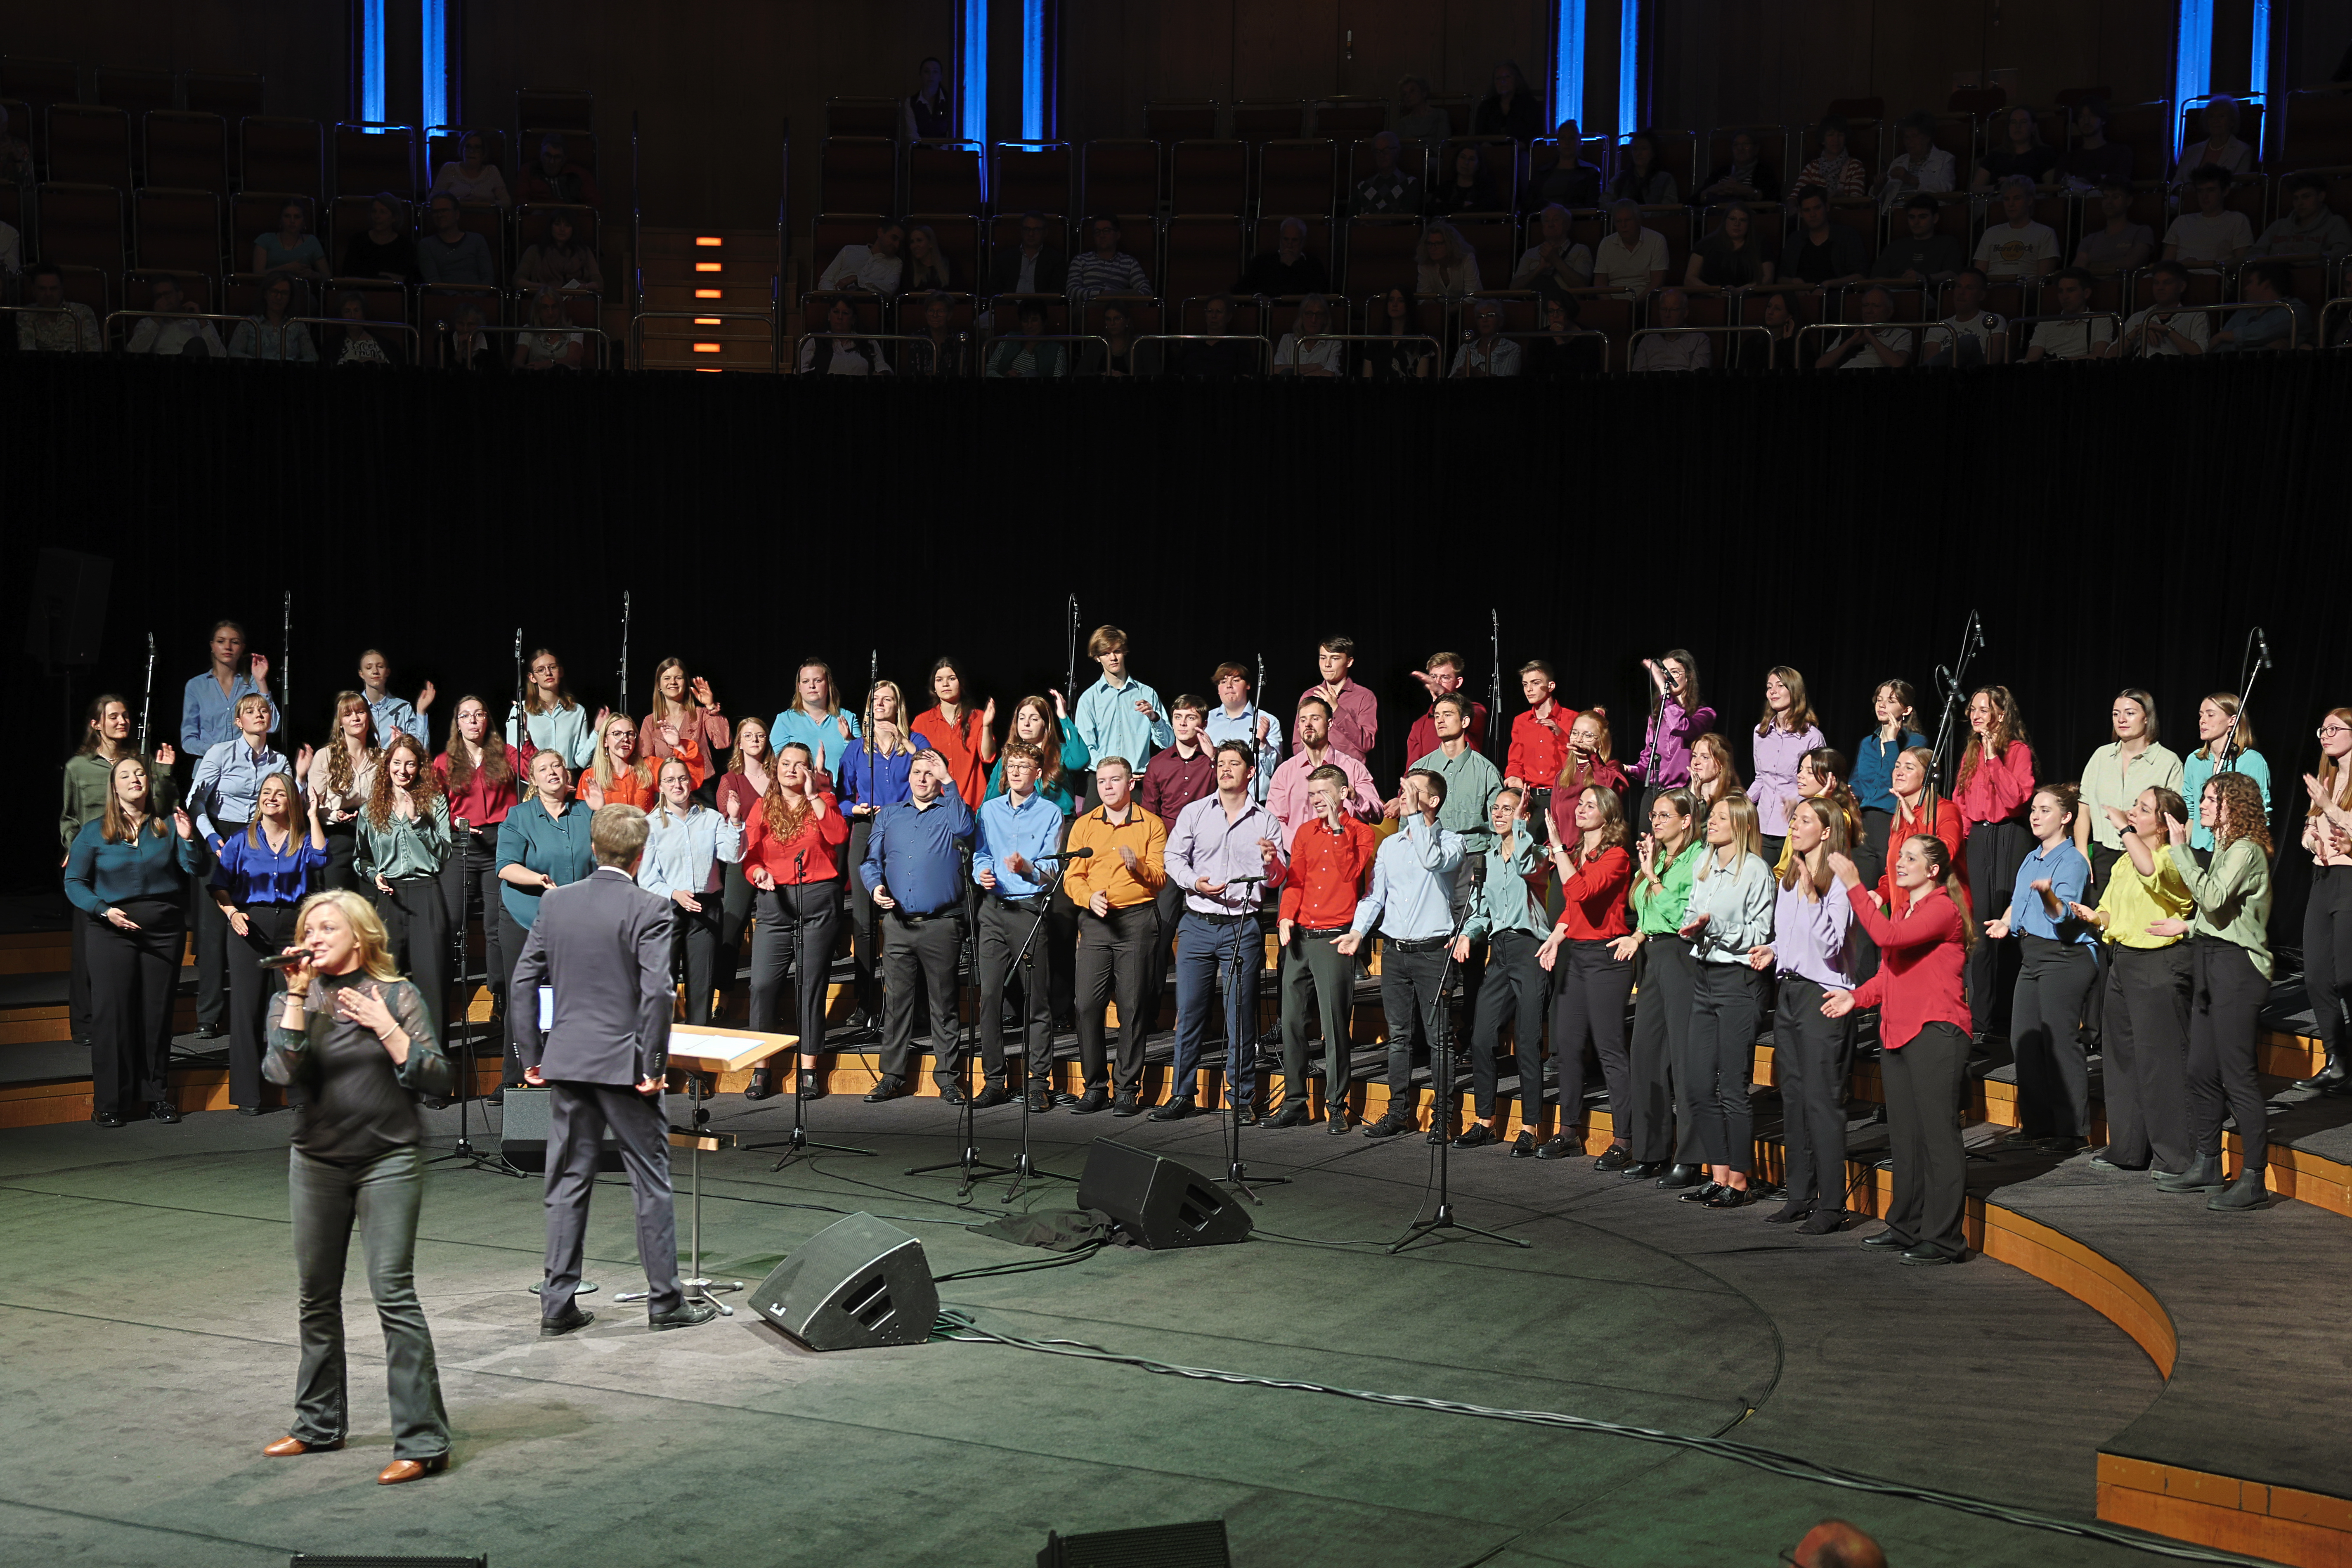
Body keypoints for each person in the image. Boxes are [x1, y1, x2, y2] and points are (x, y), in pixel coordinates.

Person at [261, 888, 456, 1481]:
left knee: (393, 1293)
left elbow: (438, 1076)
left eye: (327, 926)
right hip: (316, 1161)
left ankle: (423, 1440)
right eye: (309, 927)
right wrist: (297, 994)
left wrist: (386, 1026)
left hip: (388, 1159)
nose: (314, 936)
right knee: (315, 1295)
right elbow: (280, 1070)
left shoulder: (397, 994)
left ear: (361, 935)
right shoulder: (290, 998)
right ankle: (318, 1423)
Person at [512, 804, 716, 1338]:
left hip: (570, 1063)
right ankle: (664, 1300)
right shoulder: (649, 907)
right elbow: (657, 991)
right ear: (640, 853)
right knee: (650, 1181)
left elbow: (522, 982)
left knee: (566, 1181)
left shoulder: (555, 904)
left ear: (593, 848)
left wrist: (532, 1056)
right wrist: (651, 1064)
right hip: (626, 1068)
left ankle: (557, 1303)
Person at [1824, 833, 1973, 1264]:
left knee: (1937, 1137)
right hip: (1899, 1031)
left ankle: (1945, 1239)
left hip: (1936, 1031)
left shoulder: (1942, 908)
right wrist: (1857, 997)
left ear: (1932, 870)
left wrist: (1854, 884)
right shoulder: (1908, 908)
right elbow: (1892, 974)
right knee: (1905, 1138)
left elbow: (1886, 937)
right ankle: (1906, 1225)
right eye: (1899, 856)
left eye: (1911, 858)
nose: (1900, 862)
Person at [1153, 742, 1288, 1122]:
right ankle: (1182, 1094)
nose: (1225, 769)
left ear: (1250, 772)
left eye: (1234, 764)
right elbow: (1172, 858)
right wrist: (1194, 882)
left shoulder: (1265, 820)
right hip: (1197, 923)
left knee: (1239, 1015)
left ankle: (1241, 1098)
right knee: (1190, 1012)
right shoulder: (1195, 812)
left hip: (1242, 926)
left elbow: (1278, 877)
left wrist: (1272, 861)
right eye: (1221, 763)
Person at [2158, 773, 2275, 1210]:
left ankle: (2253, 1178)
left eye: (2210, 800)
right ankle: (2207, 1163)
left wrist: (2180, 850)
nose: (2202, 805)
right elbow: (2218, 915)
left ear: (2234, 806)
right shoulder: (2227, 849)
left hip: (2237, 969)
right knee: (2200, 1069)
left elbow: (2210, 898)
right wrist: (2186, 926)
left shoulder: (2244, 850)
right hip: (2211, 958)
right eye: (2204, 798)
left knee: (2236, 1074)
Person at [65, 757, 201, 1126]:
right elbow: (74, 882)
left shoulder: (168, 826)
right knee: (113, 1015)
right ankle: (110, 1101)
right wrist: (103, 910)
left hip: (163, 931)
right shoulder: (94, 832)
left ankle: (157, 1095)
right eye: (124, 774)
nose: (134, 779)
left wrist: (189, 840)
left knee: (156, 1014)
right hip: (111, 929)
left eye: (140, 773)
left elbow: (196, 869)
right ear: (114, 787)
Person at [1337, 769, 1461, 1138]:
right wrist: (1358, 931)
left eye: (1414, 790)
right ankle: (1397, 1112)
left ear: (1433, 801)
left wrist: (1411, 816)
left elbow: (1431, 860)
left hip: (1432, 953)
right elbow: (1375, 896)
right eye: (1403, 787)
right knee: (1398, 1037)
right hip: (1395, 951)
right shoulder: (1390, 846)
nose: (1404, 794)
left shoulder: (1451, 842)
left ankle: (1443, 1115)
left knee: (1439, 1038)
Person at [2078, 785, 2194, 1174]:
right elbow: (2109, 912)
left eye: (2143, 810)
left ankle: (2175, 1156)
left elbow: (2152, 871)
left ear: (2162, 826)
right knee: (2121, 1059)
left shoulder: (2171, 858)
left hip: (2158, 965)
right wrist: (2093, 917)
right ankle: (2127, 1148)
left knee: (2160, 1063)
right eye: (2134, 807)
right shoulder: (2126, 862)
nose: (2132, 813)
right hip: (2123, 962)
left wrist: (2122, 829)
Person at [1755, 796, 1857, 1231]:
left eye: (1803, 820)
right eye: (1793, 819)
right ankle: (1799, 1194)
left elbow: (1830, 945)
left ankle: (1832, 1205)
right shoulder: (1789, 880)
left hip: (1824, 998)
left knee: (1821, 1101)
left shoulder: (1837, 883)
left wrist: (1813, 896)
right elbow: (1793, 938)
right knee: (1793, 1099)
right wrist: (1772, 949)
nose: (1793, 826)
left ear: (1827, 830)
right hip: (1790, 993)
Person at [59, 696, 177, 1049]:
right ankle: (85, 1023)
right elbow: (69, 815)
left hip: (132, 853)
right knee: (89, 944)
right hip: (94, 852)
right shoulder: (78, 767)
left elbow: (162, 806)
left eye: (126, 715)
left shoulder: (137, 762)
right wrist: (73, 846)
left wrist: (164, 772)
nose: (122, 721)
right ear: (96, 723)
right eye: (114, 716)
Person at [860, 748, 976, 1103]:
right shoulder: (890, 815)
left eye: (930, 773)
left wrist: (949, 781)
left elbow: (965, 828)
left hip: (941, 924)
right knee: (896, 1004)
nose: (922, 778)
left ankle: (948, 1079)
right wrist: (875, 886)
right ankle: (891, 1075)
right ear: (907, 777)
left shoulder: (950, 811)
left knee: (944, 1004)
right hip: (897, 924)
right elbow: (870, 861)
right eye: (917, 772)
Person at [1986, 785, 2097, 1151]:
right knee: (2023, 1038)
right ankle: (2037, 1124)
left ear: (2066, 818)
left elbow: (2063, 914)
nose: (2035, 815)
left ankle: (2072, 1131)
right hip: (2032, 955)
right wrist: (2007, 921)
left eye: (2045, 810)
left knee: (2059, 1042)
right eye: (2033, 809)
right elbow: (2020, 901)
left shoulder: (2072, 861)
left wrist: (2049, 896)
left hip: (2064, 956)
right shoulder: (2031, 857)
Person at [209, 772, 328, 1113]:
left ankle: (301, 1093)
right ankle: (248, 1096)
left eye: (279, 793)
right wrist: (232, 913)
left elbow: (321, 857)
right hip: (249, 924)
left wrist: (313, 815)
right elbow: (219, 884)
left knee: (295, 1008)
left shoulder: (301, 838)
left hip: (292, 927)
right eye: (266, 792)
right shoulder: (241, 840)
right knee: (246, 1010)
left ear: (292, 801)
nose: (271, 798)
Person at [738, 741, 849, 1102]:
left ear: (809, 771)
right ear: (776, 768)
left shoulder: (824, 801)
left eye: (799, 765)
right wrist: (756, 872)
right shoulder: (762, 806)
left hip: (817, 900)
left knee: (810, 986)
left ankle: (808, 1069)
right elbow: (749, 856)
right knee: (762, 987)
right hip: (774, 903)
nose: (791, 770)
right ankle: (761, 1069)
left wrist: (815, 793)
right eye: (785, 763)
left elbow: (838, 836)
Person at [1677, 796, 1774, 1206]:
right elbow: (1693, 912)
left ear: (1738, 824)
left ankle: (1738, 1179)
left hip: (1739, 981)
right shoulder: (1705, 865)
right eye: (1711, 816)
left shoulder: (1755, 871)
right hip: (1704, 978)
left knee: (1732, 1086)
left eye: (1719, 818)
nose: (1710, 823)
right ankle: (1717, 1175)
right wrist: (1695, 927)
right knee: (1698, 1083)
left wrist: (1714, 926)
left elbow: (1761, 931)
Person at [1532, 785, 1636, 1164]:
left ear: (1607, 816)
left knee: (1609, 1048)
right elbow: (1571, 910)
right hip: (1577, 956)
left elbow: (1581, 891)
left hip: (1607, 958)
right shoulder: (1581, 853)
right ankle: (1569, 1131)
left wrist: (1558, 847)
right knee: (1567, 1046)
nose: (1581, 808)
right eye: (1580, 803)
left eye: (1591, 805)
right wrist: (1558, 935)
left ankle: (1624, 1139)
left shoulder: (1618, 855)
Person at [192, 693, 306, 1035]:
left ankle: (269, 1011)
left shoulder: (280, 760)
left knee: (258, 921)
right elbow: (196, 802)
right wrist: (213, 840)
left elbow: (292, 802)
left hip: (261, 839)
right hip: (221, 834)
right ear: (238, 721)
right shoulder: (219, 753)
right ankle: (208, 1015)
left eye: (264, 710)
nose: (259, 714)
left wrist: (299, 776)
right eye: (250, 711)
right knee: (215, 929)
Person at [1448, 785, 1554, 1153]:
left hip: (1530, 949)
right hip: (1500, 950)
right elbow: (1479, 912)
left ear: (1523, 814)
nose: (1498, 814)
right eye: (1495, 808)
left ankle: (1529, 1126)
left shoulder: (1538, 853)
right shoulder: (1487, 858)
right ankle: (1484, 1120)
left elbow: (1529, 868)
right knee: (1480, 1037)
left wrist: (1524, 826)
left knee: (1527, 1040)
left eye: (1507, 809)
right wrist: (1467, 935)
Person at [1274, 766, 1377, 1130]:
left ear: (1344, 792)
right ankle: (1295, 1102)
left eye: (1324, 793)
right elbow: (1295, 881)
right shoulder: (1304, 832)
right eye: (1312, 793)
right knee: (1290, 1022)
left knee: (1334, 1025)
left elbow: (1351, 873)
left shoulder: (1360, 833)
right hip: (1300, 937)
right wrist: (1286, 917)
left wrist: (1336, 829)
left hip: (1335, 938)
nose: (1316, 799)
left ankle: (1336, 1104)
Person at [1065, 756, 1169, 1115]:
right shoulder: (1084, 825)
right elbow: (1072, 877)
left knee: (1132, 1006)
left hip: (1137, 922)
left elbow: (1159, 878)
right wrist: (1086, 897)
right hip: (1095, 922)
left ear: (1130, 784)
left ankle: (1126, 1088)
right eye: (1102, 781)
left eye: (1115, 780)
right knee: (1087, 1005)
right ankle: (1094, 1086)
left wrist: (1136, 866)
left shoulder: (1151, 825)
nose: (1107, 786)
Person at [969, 741, 1064, 1111]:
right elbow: (979, 854)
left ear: (1038, 774)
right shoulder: (989, 810)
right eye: (1012, 766)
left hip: (1029, 910)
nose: (1016, 771)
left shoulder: (1050, 813)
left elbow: (1053, 871)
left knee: (1034, 999)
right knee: (990, 996)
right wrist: (983, 874)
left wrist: (1027, 868)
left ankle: (1038, 1082)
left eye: (1024, 766)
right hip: (993, 909)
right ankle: (994, 1080)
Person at [495, 749, 600, 1088]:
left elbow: (614, 854)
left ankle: (570, 1070)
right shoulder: (519, 815)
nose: (553, 771)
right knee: (523, 996)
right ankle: (515, 1077)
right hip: (527, 917)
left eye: (557, 766)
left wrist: (602, 811)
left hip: (575, 920)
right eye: (544, 768)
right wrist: (538, 880)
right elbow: (506, 867)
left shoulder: (586, 812)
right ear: (533, 779)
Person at [1622, 790, 1704, 1183]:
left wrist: (1653, 876)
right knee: (1644, 1054)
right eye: (1653, 814)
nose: (1655, 821)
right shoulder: (1658, 857)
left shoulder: (1697, 859)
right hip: (1652, 958)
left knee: (1684, 1060)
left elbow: (1678, 913)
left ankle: (1689, 1157)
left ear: (1686, 820)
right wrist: (1637, 936)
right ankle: (1649, 1149)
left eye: (1665, 815)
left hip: (1680, 955)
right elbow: (1641, 907)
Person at [434, 695, 519, 1060]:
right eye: (465, 715)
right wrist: (452, 823)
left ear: (487, 720)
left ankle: (498, 993)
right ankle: (444, 994)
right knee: (451, 920)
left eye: (479, 714)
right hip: (461, 843)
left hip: (500, 841)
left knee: (497, 923)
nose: (473, 721)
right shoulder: (444, 761)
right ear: (457, 722)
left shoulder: (507, 753)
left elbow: (532, 770)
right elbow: (434, 805)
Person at [354, 733, 453, 1042]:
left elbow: (445, 853)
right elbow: (361, 858)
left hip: (427, 894)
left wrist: (418, 822)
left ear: (419, 768)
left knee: (432, 985)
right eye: (397, 763)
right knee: (383, 985)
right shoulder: (371, 809)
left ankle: (433, 1078)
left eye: (410, 764)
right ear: (387, 767)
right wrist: (373, 875)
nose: (403, 770)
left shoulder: (434, 802)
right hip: (389, 899)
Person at [1956, 687, 2035, 1049]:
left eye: (1983, 709)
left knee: (2004, 924)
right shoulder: (1971, 751)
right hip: (1979, 839)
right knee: (1979, 928)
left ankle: (2005, 1018)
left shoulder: (2016, 751)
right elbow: (1960, 798)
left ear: (2001, 715)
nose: (1975, 715)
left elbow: (2017, 798)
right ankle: (1980, 1018)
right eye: (1972, 709)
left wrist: (1993, 759)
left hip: (2009, 835)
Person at [636, 757, 741, 1027]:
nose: (677, 785)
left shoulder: (712, 818)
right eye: (670, 780)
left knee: (701, 986)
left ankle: (698, 1064)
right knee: (663, 986)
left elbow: (732, 855)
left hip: (705, 908)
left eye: (682, 778)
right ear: (661, 787)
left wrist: (736, 821)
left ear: (691, 781)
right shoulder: (651, 824)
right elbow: (646, 878)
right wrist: (674, 894)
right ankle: (660, 1056)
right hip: (666, 909)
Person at [839, 702, 914, 1033]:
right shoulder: (856, 748)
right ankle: (866, 1001)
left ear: (898, 706)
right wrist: (855, 807)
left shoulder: (915, 741)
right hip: (867, 827)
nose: (880, 706)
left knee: (904, 914)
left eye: (887, 699)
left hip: (904, 826)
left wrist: (906, 742)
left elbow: (933, 770)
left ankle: (909, 1003)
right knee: (864, 921)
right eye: (874, 700)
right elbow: (840, 795)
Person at [2076, 689, 2184, 910]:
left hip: (2146, 854)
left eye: (2130, 713)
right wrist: (2081, 853)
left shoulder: (2167, 762)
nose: (2121, 720)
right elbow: (2084, 808)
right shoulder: (2101, 756)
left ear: (2147, 718)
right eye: (2116, 714)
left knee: (2134, 919)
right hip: (2103, 855)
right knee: (2097, 920)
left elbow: (2173, 817)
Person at [2297, 710, 2352, 1093]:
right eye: (2323, 729)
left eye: (2334, 729)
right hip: (2323, 878)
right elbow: (2307, 825)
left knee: (2347, 977)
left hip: (2350, 879)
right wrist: (2311, 840)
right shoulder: (2326, 778)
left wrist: (2330, 808)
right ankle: (2337, 1061)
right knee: (2316, 974)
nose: (2325, 735)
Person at [1268, 695, 1381, 844]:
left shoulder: (1353, 768)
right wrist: (1300, 848)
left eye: (1315, 719)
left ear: (1329, 724)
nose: (1308, 724)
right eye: (1303, 720)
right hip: (1299, 859)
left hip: (1343, 855)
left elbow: (1378, 814)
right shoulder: (1285, 772)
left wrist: (1355, 797)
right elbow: (1274, 820)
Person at [1071, 626, 1171, 788]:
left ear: (1124, 652)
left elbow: (1168, 744)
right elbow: (1087, 747)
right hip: (1103, 779)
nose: (1113, 658)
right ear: (1097, 658)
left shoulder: (1147, 693)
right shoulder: (1089, 699)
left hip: (1137, 780)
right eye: (1106, 653)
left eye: (1117, 651)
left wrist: (1155, 719)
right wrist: (1114, 773)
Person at [1875, 745, 1966, 918]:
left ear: (1927, 777)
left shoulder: (1945, 810)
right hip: (1902, 915)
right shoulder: (1897, 819)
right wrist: (1881, 893)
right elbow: (1895, 870)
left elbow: (1945, 854)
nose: (1899, 772)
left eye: (1909, 768)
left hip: (1935, 915)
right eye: (1897, 766)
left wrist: (1913, 822)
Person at [1852, 680, 1926, 887]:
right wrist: (1849, 794)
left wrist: (1892, 742)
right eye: (1879, 700)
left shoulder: (1916, 743)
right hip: (1865, 823)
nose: (1882, 705)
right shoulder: (1868, 743)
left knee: (1895, 892)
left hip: (1894, 821)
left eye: (1891, 701)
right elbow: (1857, 782)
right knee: (1862, 894)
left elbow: (1899, 781)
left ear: (1906, 709)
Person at [1746, 667, 1824, 862]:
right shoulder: (1760, 733)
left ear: (1794, 691)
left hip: (1792, 827)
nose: (1773, 691)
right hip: (1761, 825)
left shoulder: (1811, 737)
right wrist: (1743, 801)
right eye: (1769, 687)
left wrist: (1797, 802)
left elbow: (1820, 786)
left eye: (1780, 686)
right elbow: (1761, 779)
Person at [2180, 694, 2269, 855]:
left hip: (2233, 851)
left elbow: (2260, 812)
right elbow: (2191, 811)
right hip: (2199, 849)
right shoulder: (2194, 760)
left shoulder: (2250, 761)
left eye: (2211, 715)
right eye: (2201, 715)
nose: (2203, 720)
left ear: (2232, 721)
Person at [1626, 650, 1714, 806]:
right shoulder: (1656, 717)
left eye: (1675, 672)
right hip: (1653, 793)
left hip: (1682, 795)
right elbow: (1647, 764)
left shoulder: (1704, 714)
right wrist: (1629, 769)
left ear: (1690, 676)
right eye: (1665, 673)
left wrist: (1663, 689)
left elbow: (1682, 727)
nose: (1668, 677)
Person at [912, 656, 997, 811]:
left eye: (951, 678)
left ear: (961, 683)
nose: (945, 684)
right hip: (935, 805)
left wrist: (986, 726)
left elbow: (987, 757)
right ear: (934, 686)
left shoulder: (978, 717)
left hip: (972, 802)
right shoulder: (921, 722)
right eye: (939, 680)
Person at [639, 657, 729, 790]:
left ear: (686, 683)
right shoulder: (650, 722)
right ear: (659, 685)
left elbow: (723, 743)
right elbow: (646, 762)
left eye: (678, 678)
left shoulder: (702, 714)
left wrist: (710, 706)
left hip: (701, 790)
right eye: (667, 678)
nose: (673, 682)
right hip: (667, 792)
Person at [508, 647, 602, 769]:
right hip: (533, 782)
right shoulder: (521, 710)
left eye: (553, 667)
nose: (548, 673)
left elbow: (582, 761)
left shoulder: (577, 711)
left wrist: (597, 732)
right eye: (541, 670)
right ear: (532, 678)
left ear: (561, 671)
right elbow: (514, 758)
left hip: (567, 781)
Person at [1204, 664, 1283, 801]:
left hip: (1255, 803)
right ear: (1218, 689)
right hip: (1214, 804)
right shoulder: (1206, 721)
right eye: (1223, 682)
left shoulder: (1267, 721)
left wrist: (1262, 743)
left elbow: (1274, 770)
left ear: (1248, 685)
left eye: (1235, 680)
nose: (1229, 686)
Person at [2106, 259, 2207, 357]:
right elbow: (2109, 356)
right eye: (2156, 283)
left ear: (2182, 287)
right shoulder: (2139, 317)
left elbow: (2200, 354)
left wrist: (2166, 330)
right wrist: (2137, 332)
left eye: (2167, 283)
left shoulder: (2196, 315)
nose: (2160, 288)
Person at [1503, 662, 1574, 797]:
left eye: (1535, 683)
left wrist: (1561, 735)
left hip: (1563, 796)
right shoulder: (1521, 721)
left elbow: (1580, 758)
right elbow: (1515, 760)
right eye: (1525, 684)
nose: (1529, 689)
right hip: (1531, 796)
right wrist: (1514, 776)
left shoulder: (1572, 718)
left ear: (1551, 686)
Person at [2163, 166, 2253, 269]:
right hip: (2178, 277)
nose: (2204, 196)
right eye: (2200, 191)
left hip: (2214, 277)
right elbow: (2166, 263)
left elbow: (2242, 260)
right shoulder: (2182, 221)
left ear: (2225, 191)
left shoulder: (2237, 220)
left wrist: (2207, 266)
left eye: (2211, 190)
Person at [2210, 259, 2308, 352]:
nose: (2246, 288)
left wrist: (2223, 337)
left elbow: (2264, 332)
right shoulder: (2244, 312)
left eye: (2251, 282)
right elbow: (2218, 348)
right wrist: (2262, 344)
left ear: (2266, 284)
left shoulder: (2293, 309)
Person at [1972, 177, 2060, 280]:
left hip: (2025, 292)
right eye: (2007, 199)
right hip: (1991, 290)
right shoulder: (1991, 233)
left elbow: (2043, 279)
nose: (2011, 204)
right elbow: (1978, 276)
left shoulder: (2045, 233)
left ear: (2030, 200)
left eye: (2017, 198)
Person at [2253, 171, 2352, 261]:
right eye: (2296, 199)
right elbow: (2254, 254)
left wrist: (2307, 261)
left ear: (2321, 197)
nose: (2299, 204)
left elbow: (2343, 255)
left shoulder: (2335, 223)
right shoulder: (2279, 226)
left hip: (2314, 276)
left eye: (2306, 197)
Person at [1779, 187, 1867, 286]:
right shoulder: (1795, 240)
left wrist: (1830, 285)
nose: (1813, 215)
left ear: (1827, 207)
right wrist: (1794, 283)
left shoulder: (1847, 236)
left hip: (1837, 296)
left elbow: (1861, 275)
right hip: (1799, 297)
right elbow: (1781, 278)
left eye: (1817, 208)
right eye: (1807, 210)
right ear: (1801, 213)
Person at [1919, 267, 2007, 366]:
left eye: (1969, 288)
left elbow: (1993, 360)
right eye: (1959, 286)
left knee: (1970, 341)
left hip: (1977, 375)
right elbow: (1931, 366)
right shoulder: (1939, 327)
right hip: (1945, 377)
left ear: (1982, 295)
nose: (1961, 292)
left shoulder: (1993, 320)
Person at [2022, 268, 2113, 361]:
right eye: (2061, 291)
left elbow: (2099, 357)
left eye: (2071, 290)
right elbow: (2031, 360)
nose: (2065, 297)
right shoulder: (2046, 323)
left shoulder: (2100, 320)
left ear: (2086, 293)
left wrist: (2061, 361)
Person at [125, 274, 227, 356]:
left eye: (168, 294)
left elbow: (220, 356)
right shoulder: (146, 323)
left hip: (192, 371)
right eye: (159, 296)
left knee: (197, 344)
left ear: (180, 295)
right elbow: (132, 354)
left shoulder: (201, 323)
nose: (163, 300)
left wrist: (202, 320)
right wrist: (157, 317)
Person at [1870, 194, 1963, 283]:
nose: (1916, 222)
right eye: (1912, 217)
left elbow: (1953, 274)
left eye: (1923, 217)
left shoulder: (1947, 243)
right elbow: (1876, 277)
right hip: (1893, 293)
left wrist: (1924, 278)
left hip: (1929, 295)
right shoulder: (1894, 247)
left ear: (1935, 218)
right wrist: (1901, 283)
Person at [228, 274, 318, 362]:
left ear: (290, 297)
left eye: (284, 293)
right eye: (274, 291)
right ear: (265, 294)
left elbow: (312, 357)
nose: (279, 297)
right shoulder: (249, 323)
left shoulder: (297, 324)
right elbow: (233, 353)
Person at [577, 711, 655, 812]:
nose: (625, 739)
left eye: (630, 734)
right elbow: (581, 818)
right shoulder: (591, 776)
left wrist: (677, 746)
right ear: (605, 741)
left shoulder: (650, 767)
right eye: (617, 734)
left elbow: (681, 780)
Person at [1876, 111, 1954, 211]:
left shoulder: (1945, 159)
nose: (1909, 142)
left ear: (1927, 137)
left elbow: (1947, 190)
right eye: (1906, 137)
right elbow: (1881, 199)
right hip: (1892, 214)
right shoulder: (1898, 162)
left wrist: (1911, 179)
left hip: (1924, 214)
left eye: (1914, 136)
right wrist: (1878, 187)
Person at [2074, 179, 2154, 274]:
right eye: (2105, 197)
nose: (2109, 202)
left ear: (2128, 201)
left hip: (2124, 286)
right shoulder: (2089, 240)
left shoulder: (2142, 232)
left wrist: (2092, 266)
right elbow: (2077, 271)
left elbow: (2131, 263)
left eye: (2116, 197)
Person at [1237, 216, 1330, 297]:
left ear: (1303, 242)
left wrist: (1295, 265)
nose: (1289, 245)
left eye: (1295, 240)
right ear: (1280, 239)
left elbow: (1321, 292)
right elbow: (1241, 289)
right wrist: (1258, 297)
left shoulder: (1313, 264)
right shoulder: (1262, 261)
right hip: (1270, 312)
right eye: (1286, 239)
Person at [1972, 105, 2061, 189]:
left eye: (2023, 122)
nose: (2018, 127)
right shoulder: (1994, 156)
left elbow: (2051, 187)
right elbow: (1975, 189)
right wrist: (2001, 188)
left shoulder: (2045, 154)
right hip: (1997, 201)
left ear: (2034, 127)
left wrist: (2020, 185)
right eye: (2013, 122)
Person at [1686, 202, 1773, 289]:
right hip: (1710, 297)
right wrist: (1715, 293)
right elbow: (1690, 279)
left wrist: (1740, 292)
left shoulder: (1761, 243)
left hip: (1749, 296)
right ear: (1725, 221)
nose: (1737, 224)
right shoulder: (1706, 244)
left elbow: (1768, 279)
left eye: (1743, 220)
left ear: (1749, 224)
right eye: (1732, 219)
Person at [1067, 214, 1152, 302]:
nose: (1102, 236)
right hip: (1090, 306)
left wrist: (1119, 296)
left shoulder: (1130, 262)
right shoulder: (1080, 260)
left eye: (1106, 231)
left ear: (1118, 235)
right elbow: (1071, 291)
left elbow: (1146, 291)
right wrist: (1101, 294)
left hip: (1119, 307)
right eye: (1097, 232)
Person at [1516, 203, 1596, 296]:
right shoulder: (1530, 253)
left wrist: (1556, 260)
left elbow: (1582, 286)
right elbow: (1514, 288)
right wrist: (1540, 269)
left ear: (1567, 224)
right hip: (1534, 304)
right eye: (1546, 221)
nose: (1551, 225)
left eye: (1556, 220)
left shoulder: (1581, 250)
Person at [416, 193, 496, 285]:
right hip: (442, 298)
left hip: (476, 296)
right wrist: (454, 296)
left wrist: (477, 295)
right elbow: (432, 281)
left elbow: (488, 277)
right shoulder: (426, 245)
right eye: (435, 212)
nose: (440, 215)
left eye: (445, 211)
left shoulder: (477, 240)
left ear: (457, 214)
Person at [514, 209, 603, 292]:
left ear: (573, 229)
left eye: (567, 225)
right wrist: (543, 288)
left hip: (577, 296)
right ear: (551, 227)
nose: (562, 229)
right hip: (544, 296)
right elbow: (517, 281)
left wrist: (583, 288)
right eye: (557, 224)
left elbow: (599, 283)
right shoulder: (534, 251)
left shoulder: (584, 252)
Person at [799, 297, 892, 374]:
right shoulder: (815, 340)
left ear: (853, 320)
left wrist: (882, 374)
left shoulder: (867, 341)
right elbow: (800, 370)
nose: (840, 317)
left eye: (845, 313)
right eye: (836, 312)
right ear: (829, 316)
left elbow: (882, 367)